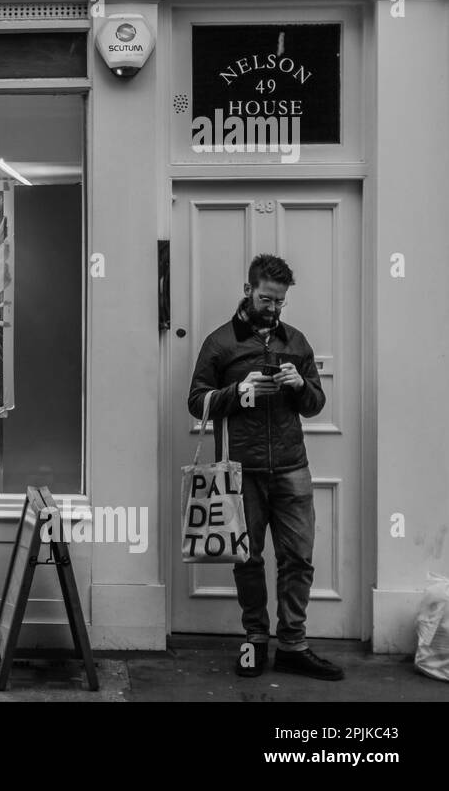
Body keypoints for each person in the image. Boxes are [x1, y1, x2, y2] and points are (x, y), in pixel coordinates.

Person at [187, 254, 341, 681]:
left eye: (280, 302)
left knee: (298, 560)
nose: (273, 308)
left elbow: (316, 405)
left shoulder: (296, 341)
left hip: (292, 466)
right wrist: (237, 390)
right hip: (241, 470)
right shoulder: (220, 343)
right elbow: (195, 400)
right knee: (248, 559)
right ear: (248, 290)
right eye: (266, 299)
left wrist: (301, 386)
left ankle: (293, 644)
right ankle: (255, 640)